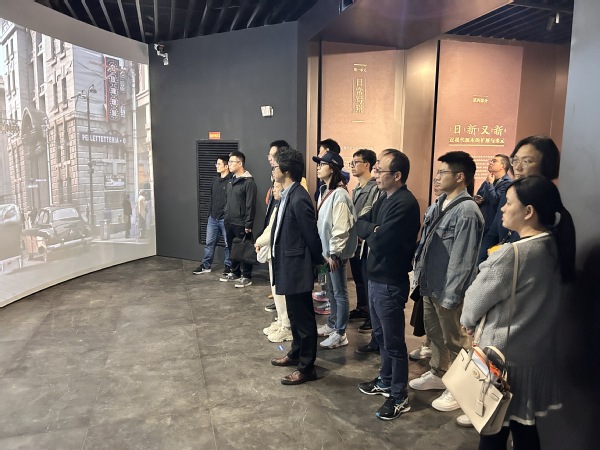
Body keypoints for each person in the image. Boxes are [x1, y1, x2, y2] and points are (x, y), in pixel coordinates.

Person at [461, 176, 576, 450]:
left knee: (492, 432)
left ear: (528, 211)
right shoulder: (555, 245)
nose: (502, 208)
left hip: (503, 361)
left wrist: (468, 322)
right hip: (535, 356)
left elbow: (473, 303)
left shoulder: (512, 254)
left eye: (509, 203)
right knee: (524, 427)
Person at [410, 151, 484, 413]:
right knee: (435, 335)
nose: (437, 177)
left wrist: (451, 296)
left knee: (457, 341)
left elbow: (463, 260)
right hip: (430, 285)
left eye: (443, 172)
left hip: (448, 291)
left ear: (460, 176)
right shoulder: (438, 204)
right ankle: (439, 373)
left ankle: (461, 388)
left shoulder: (467, 211)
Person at [356, 149, 421, 421]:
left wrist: (373, 232)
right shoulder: (384, 198)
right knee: (381, 336)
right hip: (375, 278)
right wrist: (373, 230)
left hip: (390, 281)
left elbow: (381, 242)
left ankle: (399, 395)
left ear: (397, 175)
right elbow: (360, 223)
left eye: (380, 170)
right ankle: (385, 379)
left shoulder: (405, 203)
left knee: (394, 342)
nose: (376, 174)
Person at [269, 147, 324, 385]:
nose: (272, 169)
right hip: (288, 264)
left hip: (297, 266)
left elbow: (310, 234)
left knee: (303, 318)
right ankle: (296, 353)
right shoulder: (288, 193)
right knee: (294, 313)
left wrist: (318, 262)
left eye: (275, 166)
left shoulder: (299, 197)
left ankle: (307, 367)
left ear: (286, 170)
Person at [477, 136, 561, 264]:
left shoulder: (549, 202)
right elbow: (493, 233)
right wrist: (481, 263)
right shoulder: (509, 192)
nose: (517, 167)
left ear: (547, 164)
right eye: (515, 160)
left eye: (527, 161)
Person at [313, 150, 357, 349]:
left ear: (332, 168)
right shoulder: (326, 191)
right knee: (330, 290)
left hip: (334, 254)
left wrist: (334, 253)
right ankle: (332, 324)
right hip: (326, 253)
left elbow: (340, 227)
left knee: (339, 292)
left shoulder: (339, 195)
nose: (318, 167)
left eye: (322, 164)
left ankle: (340, 333)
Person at [347, 149, 380, 334]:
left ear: (367, 165)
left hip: (364, 242)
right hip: (355, 242)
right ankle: (362, 308)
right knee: (358, 279)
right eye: (351, 163)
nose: (352, 166)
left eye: (355, 162)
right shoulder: (357, 188)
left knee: (367, 280)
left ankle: (370, 316)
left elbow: (370, 214)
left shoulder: (373, 188)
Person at [256, 181, 292, 343]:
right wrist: (260, 241)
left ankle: (287, 326)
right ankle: (281, 321)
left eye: (276, 187)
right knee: (276, 291)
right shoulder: (278, 206)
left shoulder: (286, 205)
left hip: (281, 253)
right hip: (274, 252)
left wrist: (259, 242)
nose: (273, 190)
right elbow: (269, 228)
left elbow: (273, 231)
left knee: (282, 293)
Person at [219, 150, 257, 288]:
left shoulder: (249, 182)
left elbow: (250, 205)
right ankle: (235, 272)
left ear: (240, 163)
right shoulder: (231, 180)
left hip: (241, 223)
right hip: (229, 221)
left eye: (231, 162)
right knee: (232, 249)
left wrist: (248, 223)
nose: (228, 164)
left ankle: (246, 276)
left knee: (245, 249)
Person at [193, 155, 232, 275]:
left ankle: (229, 266)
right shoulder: (215, 180)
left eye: (219, 164)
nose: (216, 166)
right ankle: (206, 265)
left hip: (225, 219)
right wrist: (210, 214)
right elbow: (211, 197)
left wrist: (226, 215)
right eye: (216, 164)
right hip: (213, 218)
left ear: (226, 166)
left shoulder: (231, 181)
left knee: (228, 244)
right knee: (209, 243)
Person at [474, 154, 512, 234]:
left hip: (494, 228)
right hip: (482, 226)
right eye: (490, 161)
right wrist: (477, 200)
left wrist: (490, 184)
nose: (490, 163)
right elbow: (479, 196)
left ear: (502, 166)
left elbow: (496, 201)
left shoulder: (507, 183)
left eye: (494, 161)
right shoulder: (487, 182)